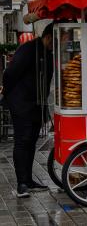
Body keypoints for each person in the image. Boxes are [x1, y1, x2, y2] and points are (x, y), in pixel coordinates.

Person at [1, 22, 54, 197]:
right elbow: (10, 73)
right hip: (22, 103)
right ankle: (21, 184)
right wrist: (10, 96)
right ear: (48, 37)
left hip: (37, 104)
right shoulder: (28, 49)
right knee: (22, 141)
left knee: (32, 142)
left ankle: (29, 180)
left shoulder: (48, 52)